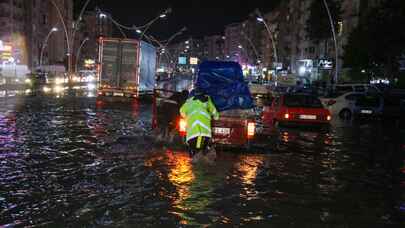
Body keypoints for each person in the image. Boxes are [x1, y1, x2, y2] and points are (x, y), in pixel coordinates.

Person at [180, 89, 219, 162]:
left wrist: (187, 117)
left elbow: (181, 111)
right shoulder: (207, 100)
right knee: (200, 152)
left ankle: (195, 168)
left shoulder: (189, 102)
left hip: (193, 134)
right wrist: (216, 117)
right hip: (204, 133)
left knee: (195, 154)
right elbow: (214, 112)